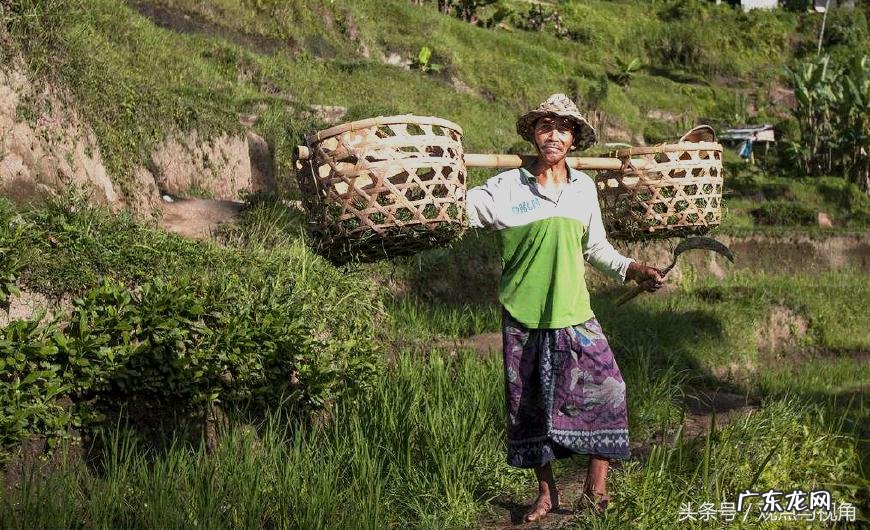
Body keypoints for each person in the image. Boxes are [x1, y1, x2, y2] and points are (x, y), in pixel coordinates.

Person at [465, 94, 665, 521]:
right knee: (530, 404)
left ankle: (596, 488)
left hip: (575, 313)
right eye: (545, 126)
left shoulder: (583, 189)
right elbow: (454, 211)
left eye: (563, 127)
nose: (552, 134)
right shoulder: (505, 188)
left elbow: (595, 247)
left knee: (611, 389)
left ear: (573, 138)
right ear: (535, 134)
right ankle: (546, 493)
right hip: (524, 314)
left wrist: (633, 268)